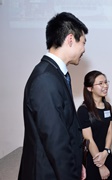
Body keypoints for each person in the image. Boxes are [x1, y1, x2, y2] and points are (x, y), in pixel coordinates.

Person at [18, 12, 88, 180]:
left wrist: (77, 165)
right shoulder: (46, 79)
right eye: (83, 42)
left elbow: (66, 129)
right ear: (70, 39)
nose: (84, 49)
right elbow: (56, 142)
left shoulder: (55, 74)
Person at [77, 70, 112, 180]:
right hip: (92, 157)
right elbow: (88, 139)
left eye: (106, 82)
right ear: (90, 88)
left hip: (106, 154)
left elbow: (109, 131)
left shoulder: (107, 106)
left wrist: (106, 151)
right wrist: (101, 165)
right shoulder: (83, 110)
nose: (105, 86)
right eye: (100, 83)